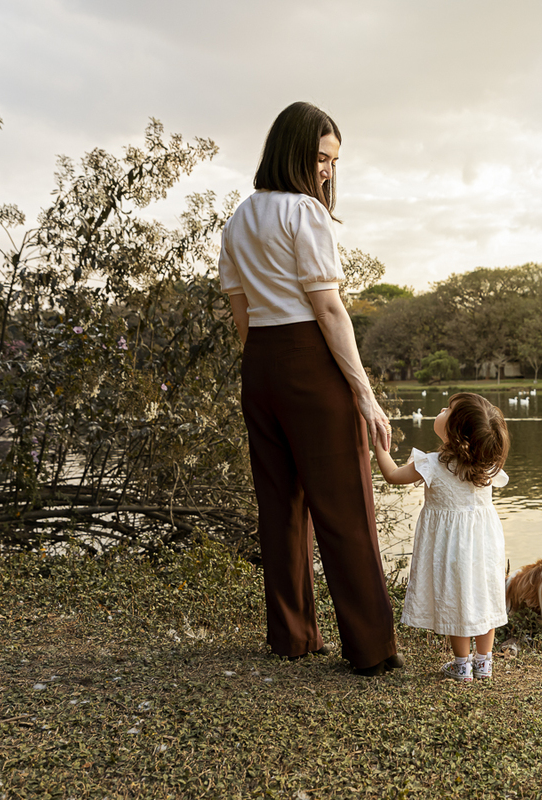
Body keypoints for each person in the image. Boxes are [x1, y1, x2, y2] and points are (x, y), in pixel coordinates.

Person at [218, 101, 402, 676]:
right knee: (346, 506)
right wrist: (364, 394)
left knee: (281, 507)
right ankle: (371, 649)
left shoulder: (238, 218)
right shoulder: (305, 213)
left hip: (262, 366)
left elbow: (240, 311)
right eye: (322, 157)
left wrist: (264, 369)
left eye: (333, 161)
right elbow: (328, 307)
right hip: (308, 363)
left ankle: (292, 635)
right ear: (294, 149)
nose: (327, 170)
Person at [374, 393, 510, 681]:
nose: (441, 409)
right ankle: (483, 663)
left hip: (450, 547)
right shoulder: (487, 466)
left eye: (447, 410)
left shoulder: (434, 464)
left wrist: (379, 448)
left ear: (455, 432)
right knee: (483, 596)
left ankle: (462, 665)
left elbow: (392, 475)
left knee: (455, 598)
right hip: (484, 545)